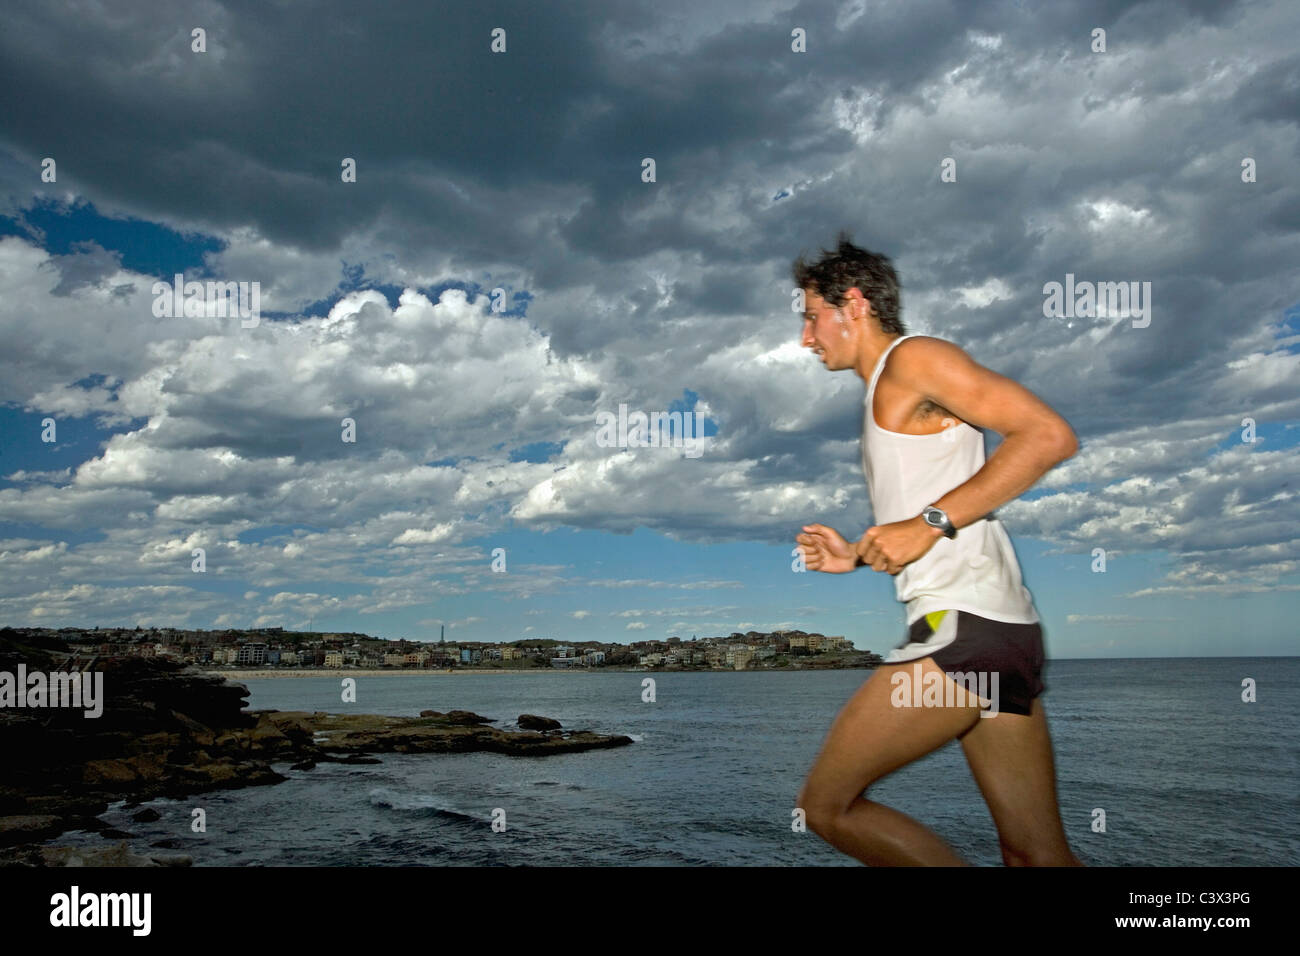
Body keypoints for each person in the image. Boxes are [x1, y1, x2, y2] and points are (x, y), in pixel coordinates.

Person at [792, 232, 1083, 866]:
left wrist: (928, 523)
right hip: (1001, 633)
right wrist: (857, 555)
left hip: (966, 631)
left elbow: (1048, 436)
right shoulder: (887, 392)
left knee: (824, 806)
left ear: (856, 304)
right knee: (1036, 858)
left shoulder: (911, 359)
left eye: (812, 317)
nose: (806, 338)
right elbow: (922, 521)